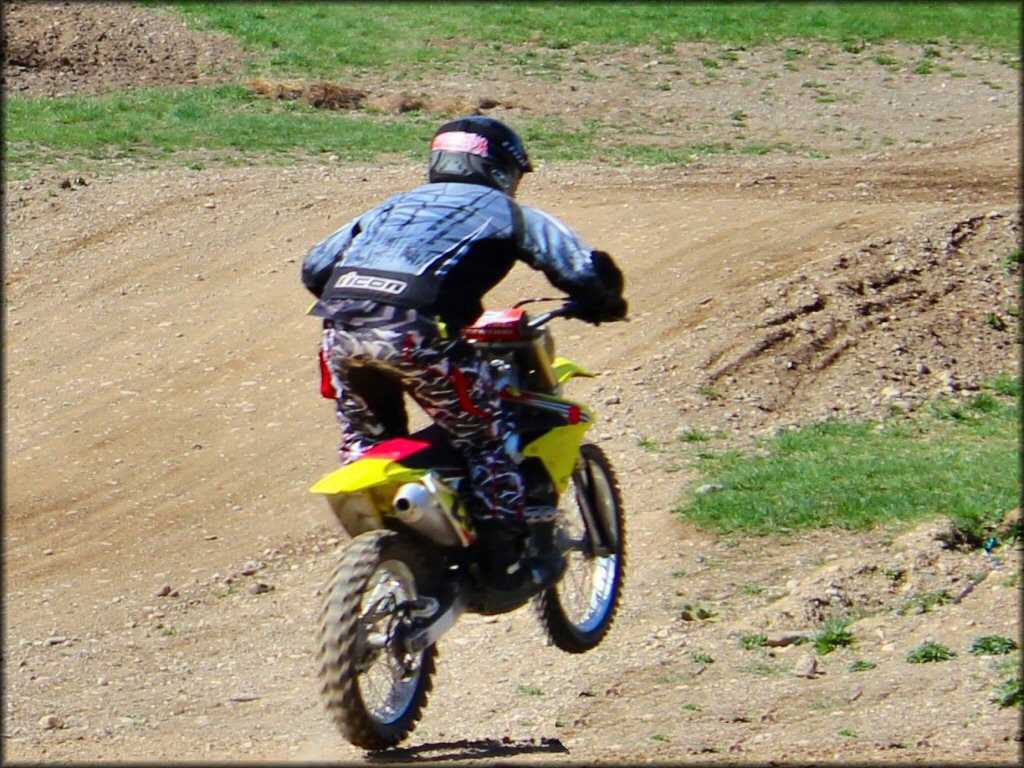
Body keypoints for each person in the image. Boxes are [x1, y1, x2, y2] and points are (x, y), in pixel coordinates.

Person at [301, 115, 627, 601]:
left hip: (340, 334)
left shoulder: (391, 206)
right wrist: (604, 299)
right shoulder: (506, 211)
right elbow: (578, 268)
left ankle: (403, 552)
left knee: (370, 439)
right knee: (487, 434)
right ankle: (502, 564)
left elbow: (314, 267)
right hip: (414, 335)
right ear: (502, 169)